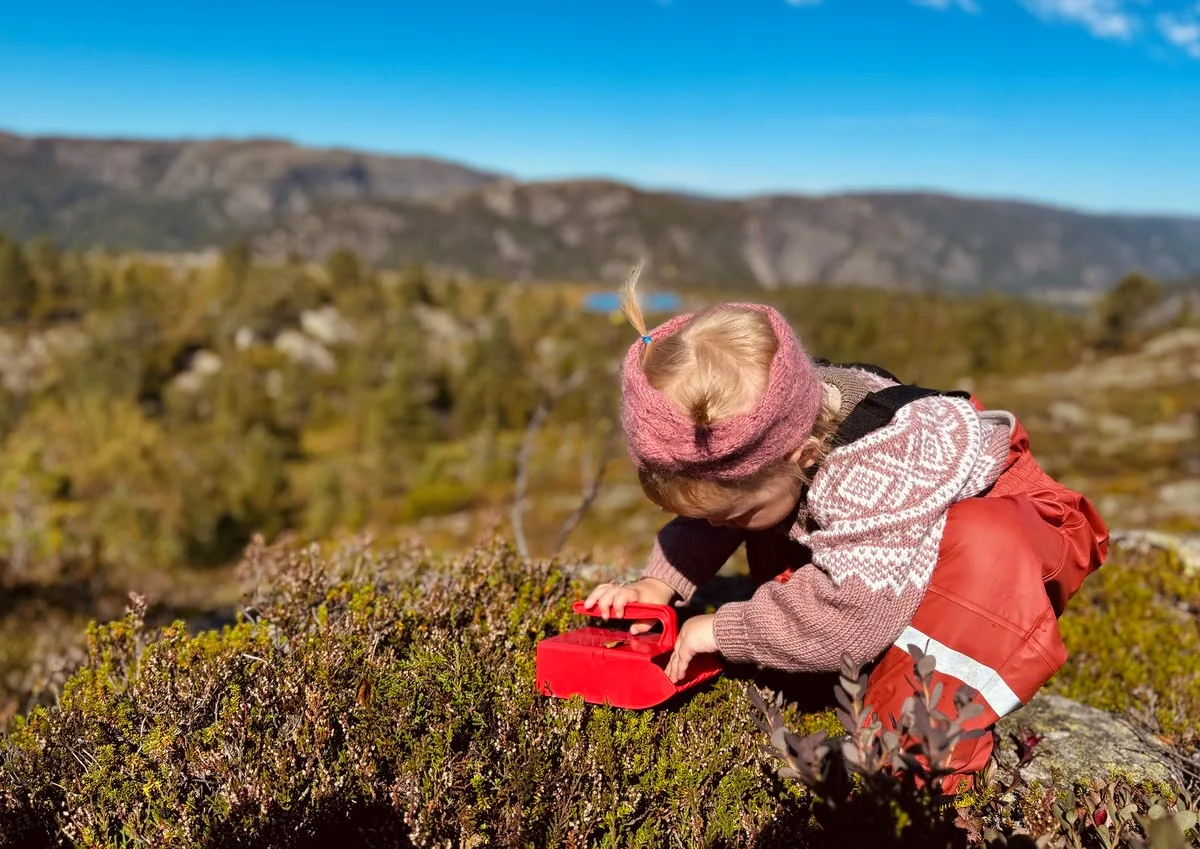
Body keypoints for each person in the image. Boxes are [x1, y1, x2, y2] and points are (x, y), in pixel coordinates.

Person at [584, 272, 1109, 791]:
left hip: (1012, 546)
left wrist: (722, 630)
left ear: (801, 457)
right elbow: (720, 507)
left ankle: (927, 764)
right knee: (773, 521)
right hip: (874, 538)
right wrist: (659, 584)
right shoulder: (781, 418)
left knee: (982, 551)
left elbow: (851, 618)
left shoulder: (869, 467)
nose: (718, 528)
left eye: (731, 516)